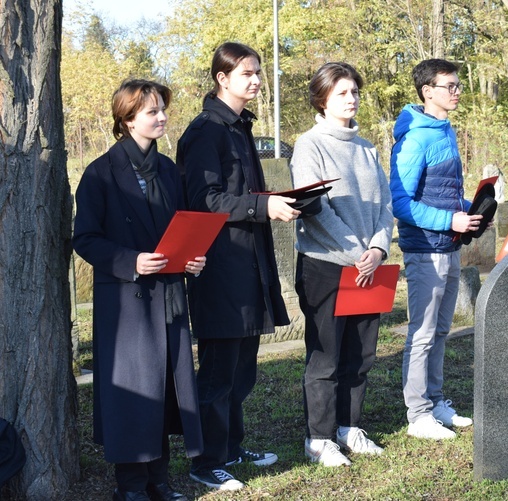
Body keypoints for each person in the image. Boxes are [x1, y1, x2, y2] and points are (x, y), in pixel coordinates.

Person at [73, 79, 205, 501]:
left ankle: (159, 482)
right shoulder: (99, 173)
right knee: (133, 391)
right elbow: (86, 238)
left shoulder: (169, 170)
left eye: (163, 109)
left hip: (168, 293)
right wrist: (131, 261)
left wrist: (193, 258)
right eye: (152, 111)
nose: (162, 117)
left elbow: (182, 227)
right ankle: (130, 486)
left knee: (165, 386)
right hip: (126, 300)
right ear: (127, 119)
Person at [177, 42, 299, 490]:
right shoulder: (205, 131)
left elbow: (241, 193)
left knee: (242, 366)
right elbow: (203, 201)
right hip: (217, 265)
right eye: (247, 73)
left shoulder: (240, 126)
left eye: (259, 73)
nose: (256, 80)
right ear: (221, 78)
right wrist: (262, 209)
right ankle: (205, 462)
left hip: (250, 261)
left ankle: (230, 447)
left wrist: (279, 202)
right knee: (217, 371)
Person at [290, 62, 394, 467]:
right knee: (326, 356)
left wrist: (378, 250)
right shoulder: (310, 145)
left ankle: (350, 428)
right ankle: (319, 438)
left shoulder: (368, 148)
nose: (351, 99)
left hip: (370, 266)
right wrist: (358, 254)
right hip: (327, 266)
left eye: (354, 92)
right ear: (322, 99)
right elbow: (316, 210)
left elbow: (385, 205)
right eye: (341, 93)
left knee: (361, 353)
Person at [390, 59, 482, 440]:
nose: (457, 91)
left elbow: (441, 192)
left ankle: (437, 401)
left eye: (459, 85)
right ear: (428, 91)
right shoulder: (414, 137)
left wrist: (469, 211)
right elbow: (400, 202)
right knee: (423, 332)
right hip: (425, 249)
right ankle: (418, 414)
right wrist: (449, 221)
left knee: (442, 330)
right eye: (450, 86)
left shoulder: (445, 130)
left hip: (449, 245)